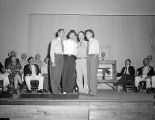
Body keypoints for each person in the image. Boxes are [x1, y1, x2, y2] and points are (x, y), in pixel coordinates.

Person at [62, 30, 77, 94]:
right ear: (69, 35)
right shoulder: (64, 42)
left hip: (73, 58)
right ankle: (64, 90)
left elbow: (76, 53)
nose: (72, 36)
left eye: (73, 35)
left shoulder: (75, 44)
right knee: (65, 74)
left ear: (74, 36)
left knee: (71, 74)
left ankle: (70, 90)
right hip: (65, 57)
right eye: (71, 34)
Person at [50, 29, 65, 94]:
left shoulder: (63, 42)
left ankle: (56, 89)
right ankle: (54, 91)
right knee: (54, 75)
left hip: (61, 57)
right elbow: (51, 51)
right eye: (61, 32)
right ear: (58, 33)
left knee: (59, 74)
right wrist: (53, 61)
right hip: (55, 57)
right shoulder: (54, 41)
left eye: (64, 33)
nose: (63, 34)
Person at [85, 29, 99, 96]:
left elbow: (97, 51)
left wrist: (93, 59)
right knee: (89, 75)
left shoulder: (95, 40)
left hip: (93, 57)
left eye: (87, 33)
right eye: (86, 34)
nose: (86, 35)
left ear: (91, 34)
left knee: (93, 75)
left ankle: (94, 92)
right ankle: (90, 90)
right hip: (89, 57)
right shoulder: (88, 42)